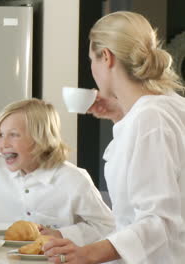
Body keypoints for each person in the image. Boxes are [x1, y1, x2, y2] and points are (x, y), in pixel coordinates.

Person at [43, 11, 185, 264]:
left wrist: (88, 253)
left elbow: (159, 220)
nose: (92, 69)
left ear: (106, 57)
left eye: (91, 60)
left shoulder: (149, 119)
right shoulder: (169, 105)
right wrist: (119, 113)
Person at [0, 98, 115, 246]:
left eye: (14, 135)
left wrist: (60, 234)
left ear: (40, 139)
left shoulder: (72, 180)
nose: (3, 143)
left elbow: (106, 226)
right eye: (0, 135)